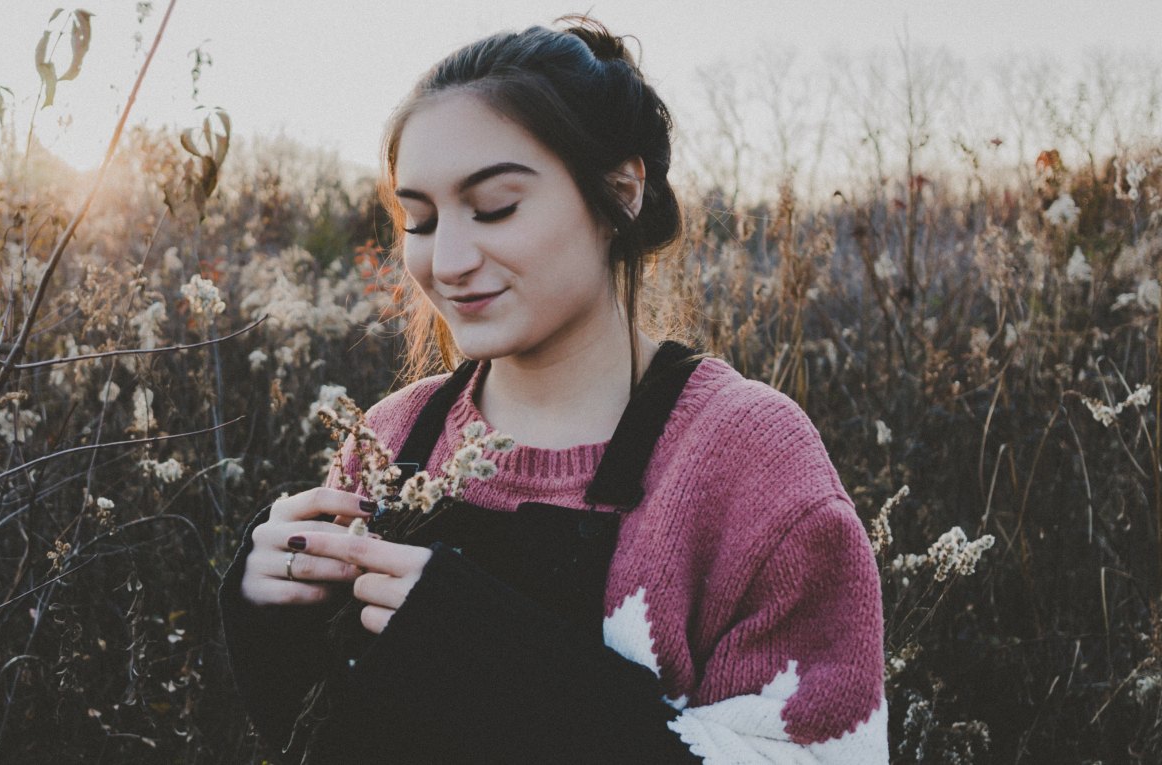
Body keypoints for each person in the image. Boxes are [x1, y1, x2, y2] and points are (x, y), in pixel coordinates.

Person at [219, 14, 887, 764]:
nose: (449, 259)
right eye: (420, 218)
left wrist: (506, 667)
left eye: (495, 207)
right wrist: (267, 617)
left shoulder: (746, 461)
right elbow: (319, 735)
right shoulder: (393, 437)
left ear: (621, 193)